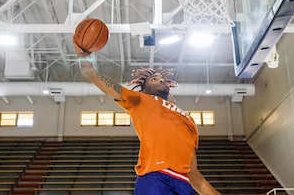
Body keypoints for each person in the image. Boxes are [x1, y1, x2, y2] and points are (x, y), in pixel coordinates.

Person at [74, 41, 221, 195]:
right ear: (144, 90)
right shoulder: (139, 100)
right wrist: (83, 57)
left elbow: (194, 174)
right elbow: (91, 74)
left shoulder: (188, 119)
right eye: (154, 79)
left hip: (183, 182)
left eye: (162, 79)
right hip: (155, 176)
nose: (161, 80)